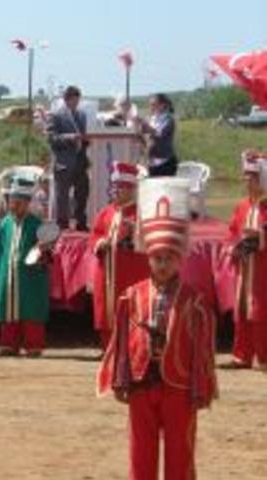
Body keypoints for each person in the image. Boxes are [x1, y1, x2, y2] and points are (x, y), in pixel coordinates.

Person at [97, 177, 217, 480]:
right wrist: (120, 378)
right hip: (140, 383)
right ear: (148, 259)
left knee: (180, 452)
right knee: (141, 453)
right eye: (157, 258)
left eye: (168, 259)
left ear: (179, 260)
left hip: (179, 387)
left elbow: (202, 350)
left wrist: (201, 386)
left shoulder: (195, 301)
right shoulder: (133, 295)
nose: (162, 264)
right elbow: (123, 341)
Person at [0, 175, 50, 357]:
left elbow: (46, 251)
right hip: (8, 274)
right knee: (7, 307)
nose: (13, 206)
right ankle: (8, 343)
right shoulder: (5, 223)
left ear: (27, 203)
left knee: (31, 309)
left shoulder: (36, 224)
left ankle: (33, 345)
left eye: (18, 202)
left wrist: (41, 251)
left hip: (30, 276)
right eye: (11, 201)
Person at [89, 162, 149, 350]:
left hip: (130, 271)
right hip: (107, 270)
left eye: (120, 188)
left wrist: (136, 231)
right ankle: (108, 349)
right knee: (105, 309)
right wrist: (100, 243)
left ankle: (131, 349)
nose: (115, 192)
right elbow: (95, 235)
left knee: (130, 309)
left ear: (131, 189)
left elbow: (149, 240)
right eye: (114, 187)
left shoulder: (141, 213)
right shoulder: (106, 212)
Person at [224, 150, 267, 369]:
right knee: (241, 309)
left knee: (260, 310)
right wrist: (233, 246)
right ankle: (242, 354)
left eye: (253, 177)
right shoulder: (242, 206)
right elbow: (232, 231)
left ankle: (264, 356)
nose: (248, 181)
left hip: (262, 267)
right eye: (247, 177)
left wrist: (260, 237)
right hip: (245, 266)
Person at [47, 85, 90, 231]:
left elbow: (83, 135)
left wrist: (86, 140)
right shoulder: (56, 115)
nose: (76, 103)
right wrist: (71, 137)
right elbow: (52, 139)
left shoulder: (82, 115)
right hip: (63, 162)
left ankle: (81, 222)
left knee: (82, 193)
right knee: (62, 196)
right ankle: (62, 224)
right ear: (66, 100)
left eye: (78, 100)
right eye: (74, 100)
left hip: (80, 160)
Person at [136, 93, 178, 177]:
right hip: (151, 162)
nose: (151, 107)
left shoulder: (169, 120)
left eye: (154, 104)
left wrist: (146, 126)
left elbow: (160, 134)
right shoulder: (151, 119)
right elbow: (144, 136)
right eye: (150, 105)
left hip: (165, 163)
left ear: (163, 105)